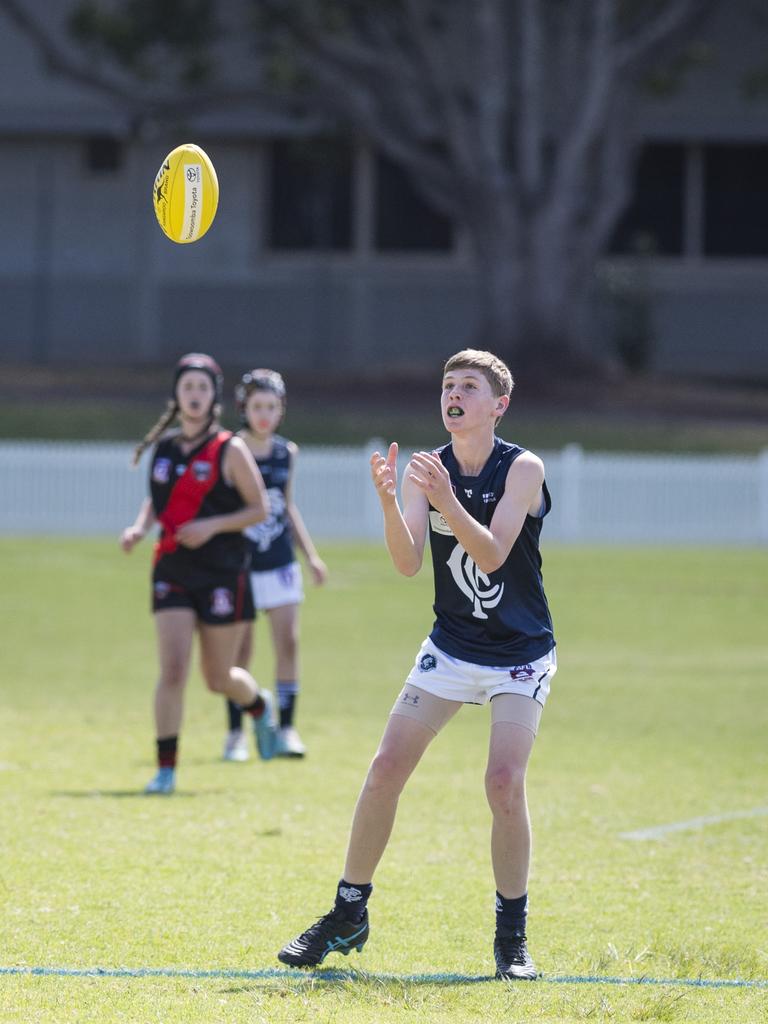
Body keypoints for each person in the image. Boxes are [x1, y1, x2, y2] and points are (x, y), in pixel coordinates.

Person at [277, 349, 556, 980]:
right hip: (451, 647)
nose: (453, 395)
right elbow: (408, 563)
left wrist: (445, 501)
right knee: (383, 769)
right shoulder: (426, 470)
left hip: (519, 654)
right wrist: (388, 499)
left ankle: (511, 936)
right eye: (447, 385)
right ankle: (348, 912)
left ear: (498, 405)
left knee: (504, 783)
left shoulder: (524, 469)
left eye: (468, 387)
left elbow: (490, 556)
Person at [120, 353, 279, 795]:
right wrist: (139, 528)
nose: (194, 395)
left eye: (202, 388)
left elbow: (258, 508)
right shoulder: (165, 448)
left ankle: (258, 705)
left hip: (221, 573)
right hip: (172, 568)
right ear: (176, 395)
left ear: (214, 398)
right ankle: (166, 769)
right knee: (172, 670)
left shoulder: (231, 449)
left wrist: (211, 525)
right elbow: (159, 501)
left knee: (217, 677)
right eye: (187, 387)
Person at [222, 368, 328, 762]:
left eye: (272, 407)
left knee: (288, 642)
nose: (264, 414)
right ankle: (236, 734)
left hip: (280, 561)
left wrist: (311, 556)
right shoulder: (230, 449)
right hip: (241, 564)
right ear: (243, 409)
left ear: (281, 410)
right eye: (257, 406)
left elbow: (287, 506)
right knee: (240, 651)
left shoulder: (287, 452)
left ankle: (286, 729)